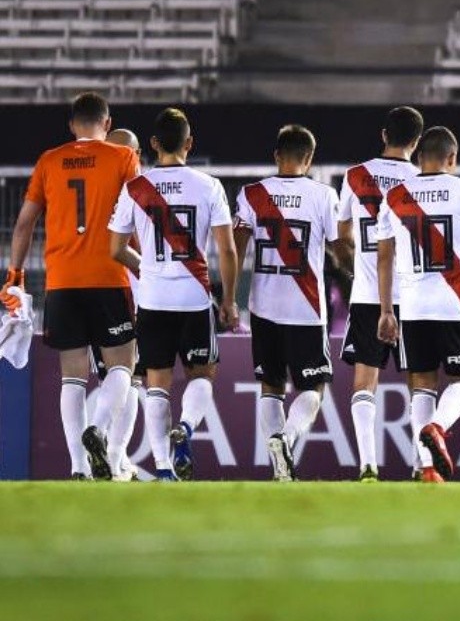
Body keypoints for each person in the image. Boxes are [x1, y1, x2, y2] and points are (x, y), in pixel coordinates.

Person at [0, 93, 139, 480]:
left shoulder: (49, 160)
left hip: (61, 280)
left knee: (72, 376)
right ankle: (97, 429)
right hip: (110, 276)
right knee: (122, 365)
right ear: (107, 124)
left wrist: (15, 276)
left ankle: (78, 468)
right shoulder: (123, 158)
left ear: (71, 124)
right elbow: (140, 216)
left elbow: (25, 222)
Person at [108, 108, 238, 481]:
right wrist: (228, 299)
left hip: (152, 300)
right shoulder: (209, 185)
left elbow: (115, 248)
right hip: (194, 298)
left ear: (152, 144)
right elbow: (227, 250)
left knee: (156, 383)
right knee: (202, 374)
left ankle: (164, 469)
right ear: (189, 143)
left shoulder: (136, 188)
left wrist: (146, 268)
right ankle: (187, 426)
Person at [376, 126, 460, 483]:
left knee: (422, 383)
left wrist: (386, 310)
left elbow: (384, 258)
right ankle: (437, 427)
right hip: (454, 304)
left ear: (418, 158)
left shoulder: (396, 195)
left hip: (412, 306)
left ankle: (425, 466)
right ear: (453, 158)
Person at [233, 124, 340, 482]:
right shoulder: (324, 196)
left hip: (263, 306)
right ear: (309, 159)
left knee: (271, 387)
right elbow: (340, 244)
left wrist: (230, 297)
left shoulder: (252, 194)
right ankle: (288, 438)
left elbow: (235, 247)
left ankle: (278, 467)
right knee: (313, 387)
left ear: (276, 156)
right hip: (306, 309)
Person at [337, 106, 423, 481]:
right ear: (417, 142)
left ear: (383, 135)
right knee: (419, 384)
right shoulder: (422, 180)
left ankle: (368, 465)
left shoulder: (356, 176)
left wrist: (357, 268)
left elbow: (342, 237)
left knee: (364, 383)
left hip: (368, 293)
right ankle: (423, 464)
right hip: (414, 296)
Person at [96, 128, 146, 481]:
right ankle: (114, 452)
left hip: (90, 287)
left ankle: (112, 455)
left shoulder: (94, 188)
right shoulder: (138, 189)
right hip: (127, 286)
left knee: (114, 375)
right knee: (130, 375)